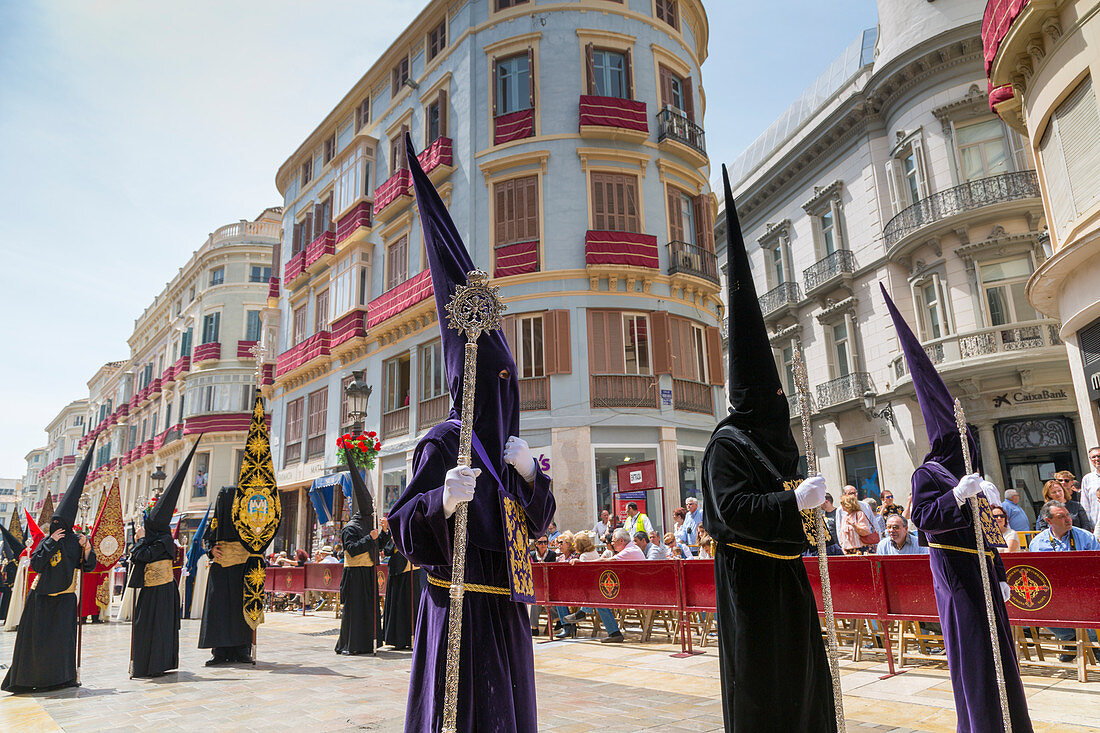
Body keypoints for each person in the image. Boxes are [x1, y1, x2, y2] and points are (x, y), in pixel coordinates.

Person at [387, 134, 555, 733]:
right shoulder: (442, 443)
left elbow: (539, 523)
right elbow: (401, 527)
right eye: (496, 384)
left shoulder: (513, 450)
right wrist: (441, 501)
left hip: (505, 618)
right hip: (457, 612)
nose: (505, 395)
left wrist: (532, 477)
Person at [701, 170, 836, 732]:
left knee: (806, 687)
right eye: (773, 396)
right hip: (751, 590)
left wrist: (814, 515)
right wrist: (793, 504)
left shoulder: (776, 446)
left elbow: (793, 512)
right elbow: (730, 513)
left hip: (790, 582)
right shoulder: (725, 446)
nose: (780, 402)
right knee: (764, 695)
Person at [883, 285, 1032, 733]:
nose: (966, 446)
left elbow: (987, 529)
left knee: (1002, 659)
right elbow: (922, 521)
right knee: (975, 660)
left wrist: (1002, 572)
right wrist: (956, 496)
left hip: (985, 573)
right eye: (960, 440)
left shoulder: (971, 476)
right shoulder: (927, 474)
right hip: (958, 580)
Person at [3, 441, 98, 692]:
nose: (57, 527)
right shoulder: (48, 541)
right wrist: (50, 544)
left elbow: (87, 567)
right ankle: (33, 679)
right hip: (42, 598)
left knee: (62, 641)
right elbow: (36, 563)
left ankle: (63, 677)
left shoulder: (78, 540)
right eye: (54, 523)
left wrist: (87, 548)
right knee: (39, 642)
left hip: (66, 599)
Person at [128, 439, 200, 677]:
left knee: (157, 629)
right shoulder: (155, 538)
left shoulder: (164, 540)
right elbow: (136, 557)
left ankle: (156, 665)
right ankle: (145, 663)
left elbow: (143, 555)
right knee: (145, 627)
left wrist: (139, 540)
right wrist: (140, 541)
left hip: (162, 590)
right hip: (151, 590)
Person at [198, 486, 254, 666]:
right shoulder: (216, 522)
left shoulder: (248, 523)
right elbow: (207, 540)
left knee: (240, 610)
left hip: (242, 571)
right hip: (221, 572)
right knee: (219, 611)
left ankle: (241, 650)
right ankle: (220, 652)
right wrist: (211, 549)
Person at [561, 528, 640, 643]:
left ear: (621, 541)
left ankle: (585, 613)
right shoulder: (632, 548)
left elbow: (606, 561)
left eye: (613, 541)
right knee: (598, 596)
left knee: (599, 598)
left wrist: (582, 563)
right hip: (633, 587)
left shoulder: (629, 551)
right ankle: (612, 632)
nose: (612, 544)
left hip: (635, 591)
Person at [335, 465, 381, 655]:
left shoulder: (369, 524)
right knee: (355, 611)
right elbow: (351, 549)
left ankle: (368, 642)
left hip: (368, 572)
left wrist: (381, 535)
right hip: (354, 574)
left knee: (369, 609)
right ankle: (352, 644)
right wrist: (369, 538)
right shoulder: (350, 529)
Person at [380, 515, 420, 651]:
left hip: (413, 570)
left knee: (413, 604)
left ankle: (413, 637)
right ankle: (398, 638)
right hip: (399, 571)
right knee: (399, 604)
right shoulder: (394, 533)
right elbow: (387, 550)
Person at [528, 536, 557, 635]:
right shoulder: (532, 555)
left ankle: (557, 619)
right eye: (540, 543)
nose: (543, 545)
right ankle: (534, 627)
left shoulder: (552, 554)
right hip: (537, 584)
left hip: (550, 584)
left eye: (545, 542)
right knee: (535, 601)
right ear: (536, 544)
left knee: (546, 600)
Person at [1080, 446, 1100, 532]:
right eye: (1093, 457)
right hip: (1097, 527)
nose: (1097, 459)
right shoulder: (1087, 479)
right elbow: (1085, 505)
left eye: (1099, 456)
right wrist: (1087, 526)